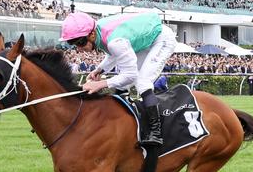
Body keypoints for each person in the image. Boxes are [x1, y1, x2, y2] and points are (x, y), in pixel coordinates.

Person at [59, 10, 176, 147]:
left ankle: (156, 133)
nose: (79, 49)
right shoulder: (100, 31)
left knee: (142, 82)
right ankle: (119, 123)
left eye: (80, 42)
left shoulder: (114, 41)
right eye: (73, 44)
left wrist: (101, 84)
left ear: (91, 34)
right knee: (122, 85)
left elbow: (130, 74)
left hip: (161, 39)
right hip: (145, 42)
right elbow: (113, 54)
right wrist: (99, 70)